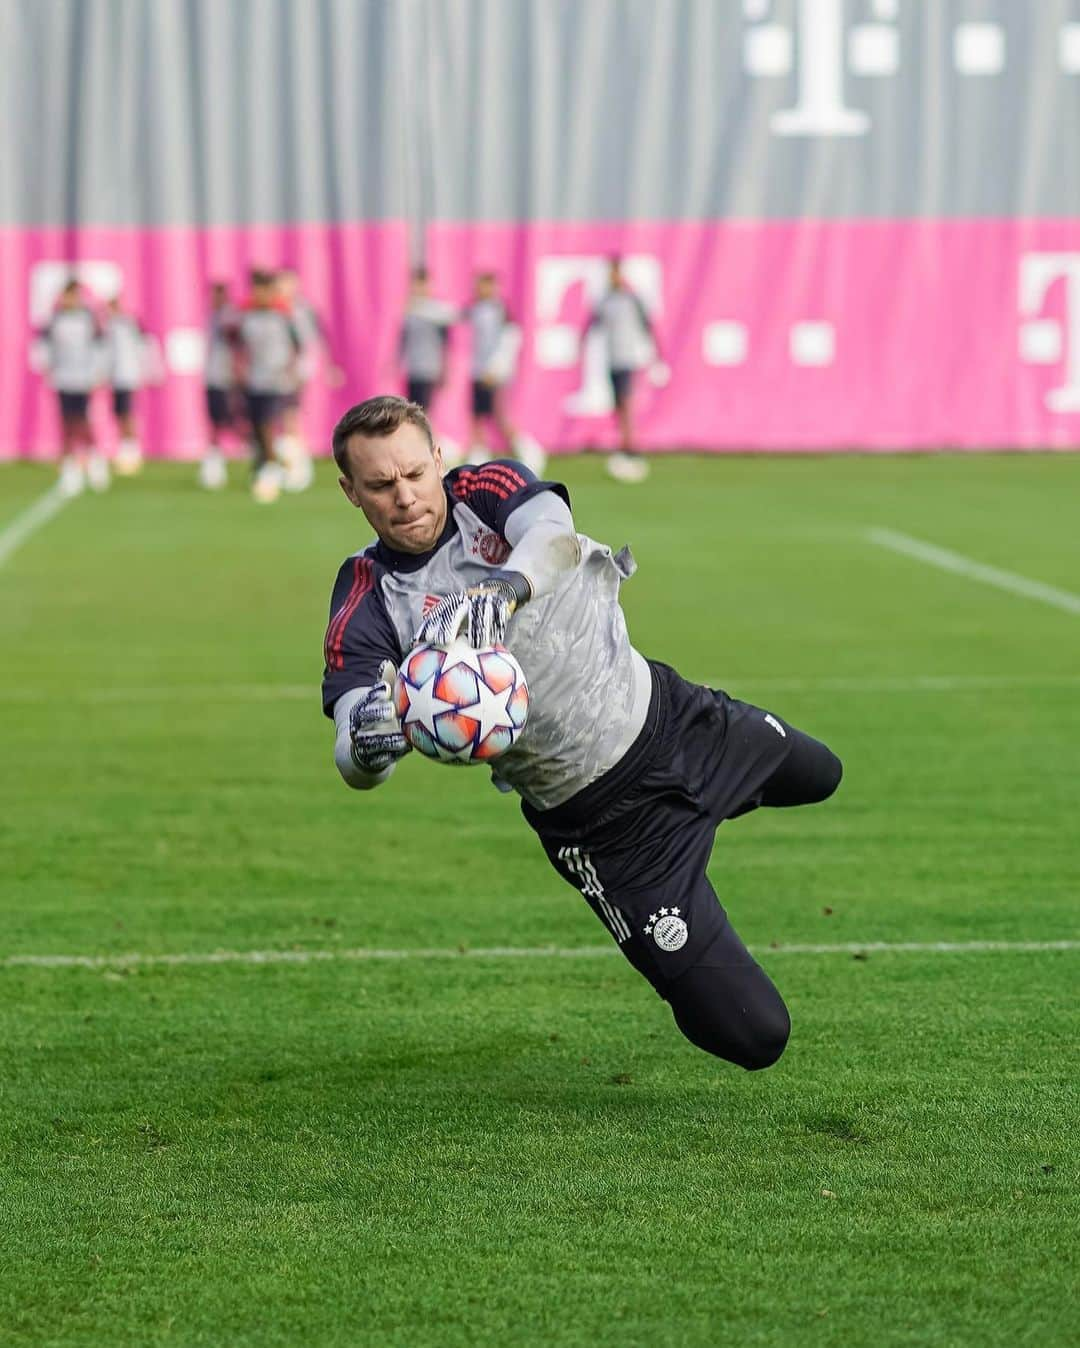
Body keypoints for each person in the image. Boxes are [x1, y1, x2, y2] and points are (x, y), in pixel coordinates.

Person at [320, 395, 843, 1073]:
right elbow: (353, 741)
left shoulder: (486, 492)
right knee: (753, 1035)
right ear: (350, 492)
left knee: (823, 774)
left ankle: (715, 805)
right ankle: (682, 863)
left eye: (415, 473)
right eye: (381, 485)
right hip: (608, 826)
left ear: (438, 459)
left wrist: (505, 587)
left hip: (678, 721)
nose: (406, 497)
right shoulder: (366, 595)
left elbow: (555, 534)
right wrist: (367, 744)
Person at [586, 257, 667, 485]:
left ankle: (633, 449)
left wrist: (658, 356)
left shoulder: (632, 299)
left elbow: (648, 325)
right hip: (612, 358)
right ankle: (625, 447)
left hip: (628, 357)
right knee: (618, 406)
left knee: (627, 402)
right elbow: (594, 323)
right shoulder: (605, 300)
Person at [465, 271, 546, 475]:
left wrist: (496, 367)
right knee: (478, 416)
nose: (480, 290)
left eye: (485, 285)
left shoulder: (500, 310)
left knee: (501, 415)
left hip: (495, 373)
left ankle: (530, 451)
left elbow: (511, 340)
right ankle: (479, 456)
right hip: (479, 371)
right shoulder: (476, 309)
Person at [36, 277, 110, 496]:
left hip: (83, 377)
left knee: (82, 421)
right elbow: (45, 347)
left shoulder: (88, 318)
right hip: (63, 377)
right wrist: (47, 367)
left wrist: (98, 372)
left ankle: (95, 460)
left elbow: (99, 347)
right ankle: (70, 469)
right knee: (66, 422)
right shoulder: (55, 319)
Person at [234, 268, 301, 504]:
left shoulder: (283, 316)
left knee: (268, 424)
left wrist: (292, 371)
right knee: (255, 426)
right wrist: (239, 371)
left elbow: (297, 345)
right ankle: (264, 465)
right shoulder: (245, 316)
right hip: (254, 380)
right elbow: (238, 346)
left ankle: (272, 469)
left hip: (276, 380)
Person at [274, 268, 344, 492]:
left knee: (290, 416)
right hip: (277, 369)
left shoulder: (302, 309)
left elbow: (317, 338)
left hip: (294, 369)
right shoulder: (277, 310)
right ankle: (292, 464)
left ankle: (298, 468)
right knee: (284, 417)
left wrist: (329, 365)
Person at [102, 292, 148, 476]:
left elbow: (140, 347)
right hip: (117, 377)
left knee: (127, 413)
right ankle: (126, 448)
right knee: (121, 414)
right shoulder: (113, 326)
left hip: (126, 376)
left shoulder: (125, 325)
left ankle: (132, 450)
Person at [199, 281, 238, 490]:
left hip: (227, 379)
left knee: (234, 422)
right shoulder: (213, 316)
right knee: (216, 422)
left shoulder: (228, 316)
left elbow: (236, 339)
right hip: (214, 378)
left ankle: (267, 460)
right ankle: (214, 464)